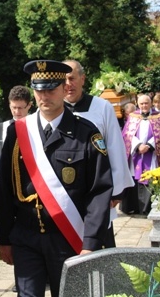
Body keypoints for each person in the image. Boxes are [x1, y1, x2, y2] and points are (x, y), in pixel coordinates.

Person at [0, 60, 113, 297]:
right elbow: (5, 187)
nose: (44, 96)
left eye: (50, 89)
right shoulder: (17, 132)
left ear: (63, 88)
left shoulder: (86, 133)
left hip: (68, 238)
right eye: (39, 90)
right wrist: (5, 238)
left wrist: (90, 242)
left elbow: (99, 190)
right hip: (26, 236)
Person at [62, 59, 133, 248]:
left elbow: (114, 147)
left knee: (98, 246)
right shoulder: (54, 109)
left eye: (72, 78)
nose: (68, 84)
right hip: (64, 191)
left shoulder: (102, 107)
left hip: (96, 188)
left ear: (83, 79)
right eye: (64, 79)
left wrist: (116, 190)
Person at [121, 94, 160, 215]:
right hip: (136, 154)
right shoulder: (132, 117)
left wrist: (148, 145)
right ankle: (133, 206)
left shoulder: (159, 117)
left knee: (150, 178)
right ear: (138, 104)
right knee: (134, 177)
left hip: (151, 153)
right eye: (142, 103)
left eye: (146, 103)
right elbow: (127, 135)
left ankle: (148, 208)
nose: (144, 106)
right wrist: (138, 146)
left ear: (151, 103)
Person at [0, 85, 33, 174]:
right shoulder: (0, 129)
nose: (16, 112)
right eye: (14, 107)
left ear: (29, 105)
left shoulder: (35, 127)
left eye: (20, 108)